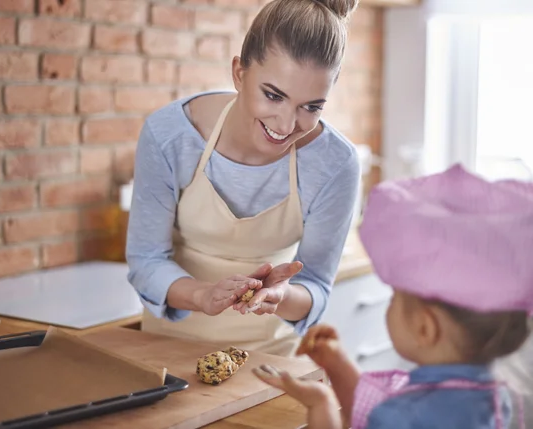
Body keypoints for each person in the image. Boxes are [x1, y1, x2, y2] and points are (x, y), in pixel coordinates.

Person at [125, 0, 361, 357]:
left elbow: (315, 287)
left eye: (311, 106)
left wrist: (281, 297)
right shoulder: (170, 136)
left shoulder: (335, 163)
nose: (285, 125)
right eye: (273, 95)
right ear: (239, 73)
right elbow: (146, 261)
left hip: (269, 361)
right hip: (164, 352)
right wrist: (203, 296)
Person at [253, 164, 533, 428]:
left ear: (426, 327)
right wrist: (338, 366)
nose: (390, 306)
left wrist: (321, 404)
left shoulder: (403, 412)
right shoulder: (493, 395)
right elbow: (373, 414)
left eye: (394, 298)